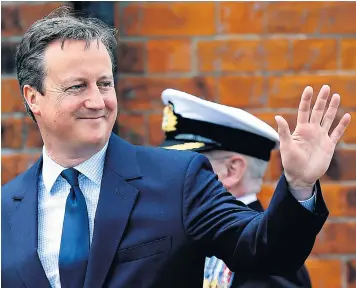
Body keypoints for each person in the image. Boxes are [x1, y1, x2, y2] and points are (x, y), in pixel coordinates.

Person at [1, 7, 351, 288]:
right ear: (34, 98)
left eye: (105, 83)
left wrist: (299, 185)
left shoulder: (177, 179)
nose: (98, 101)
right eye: (77, 86)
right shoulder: (7, 207)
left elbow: (263, 250)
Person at [159, 89, 312, 287]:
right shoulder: (194, 234)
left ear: (232, 171)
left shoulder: (267, 252)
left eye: (188, 166)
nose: (173, 174)